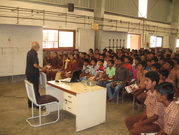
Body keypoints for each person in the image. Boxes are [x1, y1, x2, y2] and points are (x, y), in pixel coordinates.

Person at [25, 41, 46, 108]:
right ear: (35, 47)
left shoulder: (29, 52)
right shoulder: (34, 53)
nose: (39, 47)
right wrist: (42, 68)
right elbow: (35, 65)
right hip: (33, 74)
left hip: (29, 73)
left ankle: (30, 103)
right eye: (38, 46)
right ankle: (37, 103)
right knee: (35, 88)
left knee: (31, 88)